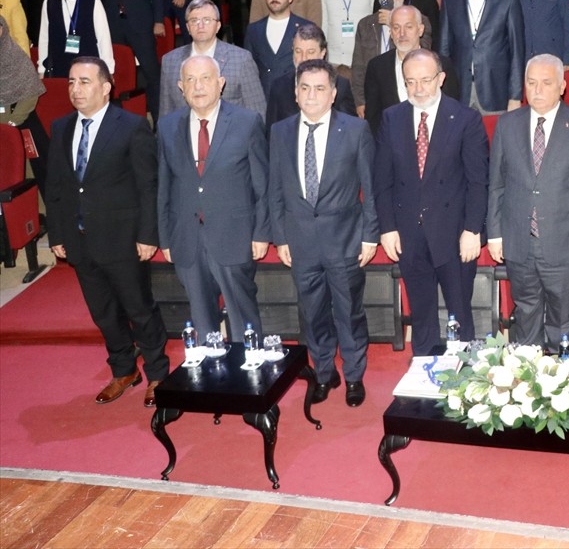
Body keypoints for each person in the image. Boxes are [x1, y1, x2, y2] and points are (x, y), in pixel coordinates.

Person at [45, 56, 168, 407]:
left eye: (84, 82)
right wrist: (57, 234)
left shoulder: (130, 127)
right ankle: (124, 369)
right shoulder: (61, 127)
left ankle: (158, 372)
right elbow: (55, 186)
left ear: (106, 87)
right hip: (80, 239)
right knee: (103, 313)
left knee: (139, 309)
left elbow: (148, 185)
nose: (75, 89)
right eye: (71, 82)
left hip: (123, 239)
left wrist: (148, 235)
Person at [269, 58, 378, 407]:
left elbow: (370, 187)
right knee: (312, 313)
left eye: (319, 88)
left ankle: (354, 377)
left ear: (333, 94)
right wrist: (280, 237)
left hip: (345, 239)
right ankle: (325, 372)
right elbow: (274, 188)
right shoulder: (280, 131)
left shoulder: (355, 130)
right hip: (300, 241)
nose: (312, 95)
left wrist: (370, 235)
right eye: (305, 88)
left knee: (348, 313)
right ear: (296, 94)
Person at [375, 48, 489, 355]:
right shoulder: (392, 118)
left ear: (440, 78)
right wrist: (387, 227)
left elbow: (478, 182)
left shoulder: (466, 119)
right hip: (409, 235)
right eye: (411, 81)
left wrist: (472, 229)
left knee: (459, 315)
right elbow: (382, 180)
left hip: (454, 235)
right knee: (422, 316)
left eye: (425, 80)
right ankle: (421, 378)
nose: (418, 89)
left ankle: (465, 382)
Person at [487, 54, 569, 347]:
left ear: (563, 86)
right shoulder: (507, 125)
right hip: (517, 240)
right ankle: (528, 384)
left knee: (562, 317)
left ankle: (562, 383)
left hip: (565, 242)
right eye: (531, 83)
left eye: (546, 83)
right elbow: (496, 185)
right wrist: (495, 234)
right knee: (525, 314)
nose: (537, 90)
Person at [157, 55, 269, 340]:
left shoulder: (247, 122)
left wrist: (260, 233)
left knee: (242, 316)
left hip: (234, 236)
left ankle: (249, 374)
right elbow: (165, 187)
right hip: (187, 239)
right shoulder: (168, 126)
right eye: (190, 80)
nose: (198, 86)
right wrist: (166, 238)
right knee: (202, 319)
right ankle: (211, 372)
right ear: (180, 87)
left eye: (205, 78)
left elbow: (262, 185)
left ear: (221, 83)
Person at [438, 0, 524, 114]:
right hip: (459, 91)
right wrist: (443, 92)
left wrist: (515, 97)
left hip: (495, 91)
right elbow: (443, 49)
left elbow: (517, 51)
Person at [159, 0, 266, 120]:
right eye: (194, 21)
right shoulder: (170, 61)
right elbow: (166, 114)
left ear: (218, 26)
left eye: (207, 20)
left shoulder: (241, 59)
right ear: (188, 27)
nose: (200, 25)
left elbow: (258, 112)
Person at [363, 5, 459, 134]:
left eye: (408, 27)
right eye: (396, 27)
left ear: (420, 30)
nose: (402, 34)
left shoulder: (442, 64)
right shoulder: (377, 66)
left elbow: (452, 110)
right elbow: (373, 117)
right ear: (390, 32)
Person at [265, 22, 356, 126]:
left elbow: (350, 130)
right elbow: (272, 132)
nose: (303, 58)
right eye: (298, 51)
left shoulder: (341, 85)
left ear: (322, 53)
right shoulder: (279, 86)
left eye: (310, 52)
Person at [37, 0, 114, 79]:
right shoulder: (49, 3)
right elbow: (44, 39)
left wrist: (108, 69)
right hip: (59, 66)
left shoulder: (92, 2)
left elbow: (104, 38)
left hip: (88, 65)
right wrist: (42, 69)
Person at [245, 0, 312, 95]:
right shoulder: (253, 30)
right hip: (264, 98)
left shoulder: (307, 27)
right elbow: (249, 70)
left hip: (295, 98)